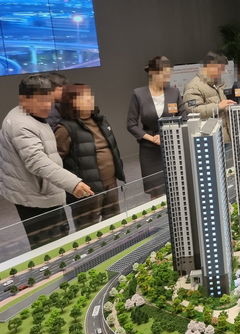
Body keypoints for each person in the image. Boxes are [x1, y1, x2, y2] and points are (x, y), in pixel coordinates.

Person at [0, 75, 93, 249]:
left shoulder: (32, 116)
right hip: (35, 198)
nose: (48, 106)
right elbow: (37, 161)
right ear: (24, 99)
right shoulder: (21, 125)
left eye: (50, 100)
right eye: (42, 101)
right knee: (48, 246)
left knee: (60, 238)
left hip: (45, 191)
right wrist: (73, 183)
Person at [56, 84, 125, 230]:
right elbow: (56, 163)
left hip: (110, 183)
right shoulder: (64, 129)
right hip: (87, 191)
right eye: (83, 96)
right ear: (71, 102)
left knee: (115, 225)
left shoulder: (100, 120)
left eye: (90, 95)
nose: (89, 99)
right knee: (88, 230)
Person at [127, 56, 183, 198]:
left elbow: (184, 117)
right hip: (149, 150)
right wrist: (151, 138)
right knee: (156, 192)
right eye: (164, 75)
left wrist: (166, 134)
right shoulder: (138, 94)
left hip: (172, 146)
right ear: (153, 73)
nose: (167, 79)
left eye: (169, 76)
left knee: (177, 187)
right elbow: (131, 124)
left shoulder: (174, 92)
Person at [182, 51, 236, 141]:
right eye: (220, 69)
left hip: (224, 138)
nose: (222, 72)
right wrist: (218, 106)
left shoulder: (217, 84)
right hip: (209, 139)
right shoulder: (193, 86)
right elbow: (193, 111)